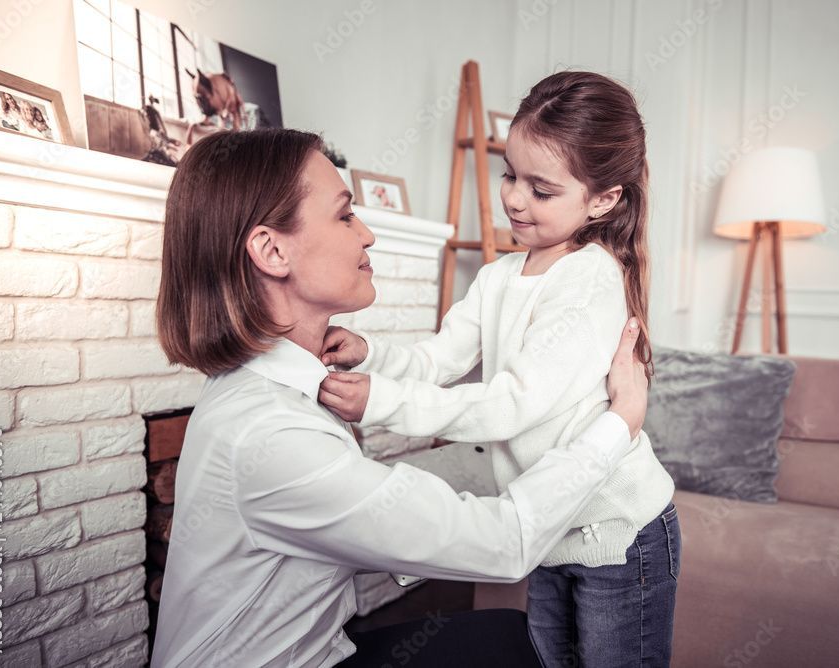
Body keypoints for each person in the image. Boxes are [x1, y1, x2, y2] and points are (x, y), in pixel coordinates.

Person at [149, 127, 652, 668]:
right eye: (345, 215)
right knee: (520, 643)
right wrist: (622, 419)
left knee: (517, 636)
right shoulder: (272, 434)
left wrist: (375, 366)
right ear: (271, 250)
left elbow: (491, 405)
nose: (367, 235)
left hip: (315, 651)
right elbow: (503, 542)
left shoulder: (275, 386)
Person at [319, 71, 680, 667]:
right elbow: (439, 359)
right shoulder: (496, 278)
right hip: (548, 527)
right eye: (509, 174)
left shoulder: (589, 279)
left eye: (541, 190)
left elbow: (512, 403)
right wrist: (371, 355)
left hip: (620, 534)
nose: (513, 197)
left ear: (604, 199)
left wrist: (380, 400)